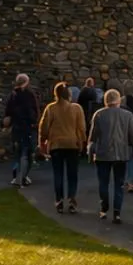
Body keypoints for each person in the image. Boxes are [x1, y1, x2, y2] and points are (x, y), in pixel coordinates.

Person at [87, 89, 133, 224]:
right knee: (119, 184)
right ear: (118, 101)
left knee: (103, 183)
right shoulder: (127, 115)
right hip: (121, 154)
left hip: (102, 153)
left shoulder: (99, 114)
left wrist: (91, 152)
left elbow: (93, 136)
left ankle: (104, 207)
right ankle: (117, 212)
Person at [39, 82, 87, 214]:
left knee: (58, 173)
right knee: (73, 174)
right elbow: (81, 128)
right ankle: (72, 199)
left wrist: (42, 142)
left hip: (56, 145)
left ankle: (59, 200)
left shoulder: (51, 108)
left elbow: (44, 127)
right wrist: (82, 142)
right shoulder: (77, 108)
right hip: (72, 144)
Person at [2, 73, 39, 187]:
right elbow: (33, 110)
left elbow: (7, 112)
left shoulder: (12, 95)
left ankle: (16, 176)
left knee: (17, 153)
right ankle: (23, 177)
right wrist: (34, 122)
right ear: (26, 82)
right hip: (27, 127)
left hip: (16, 127)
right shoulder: (29, 95)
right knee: (26, 152)